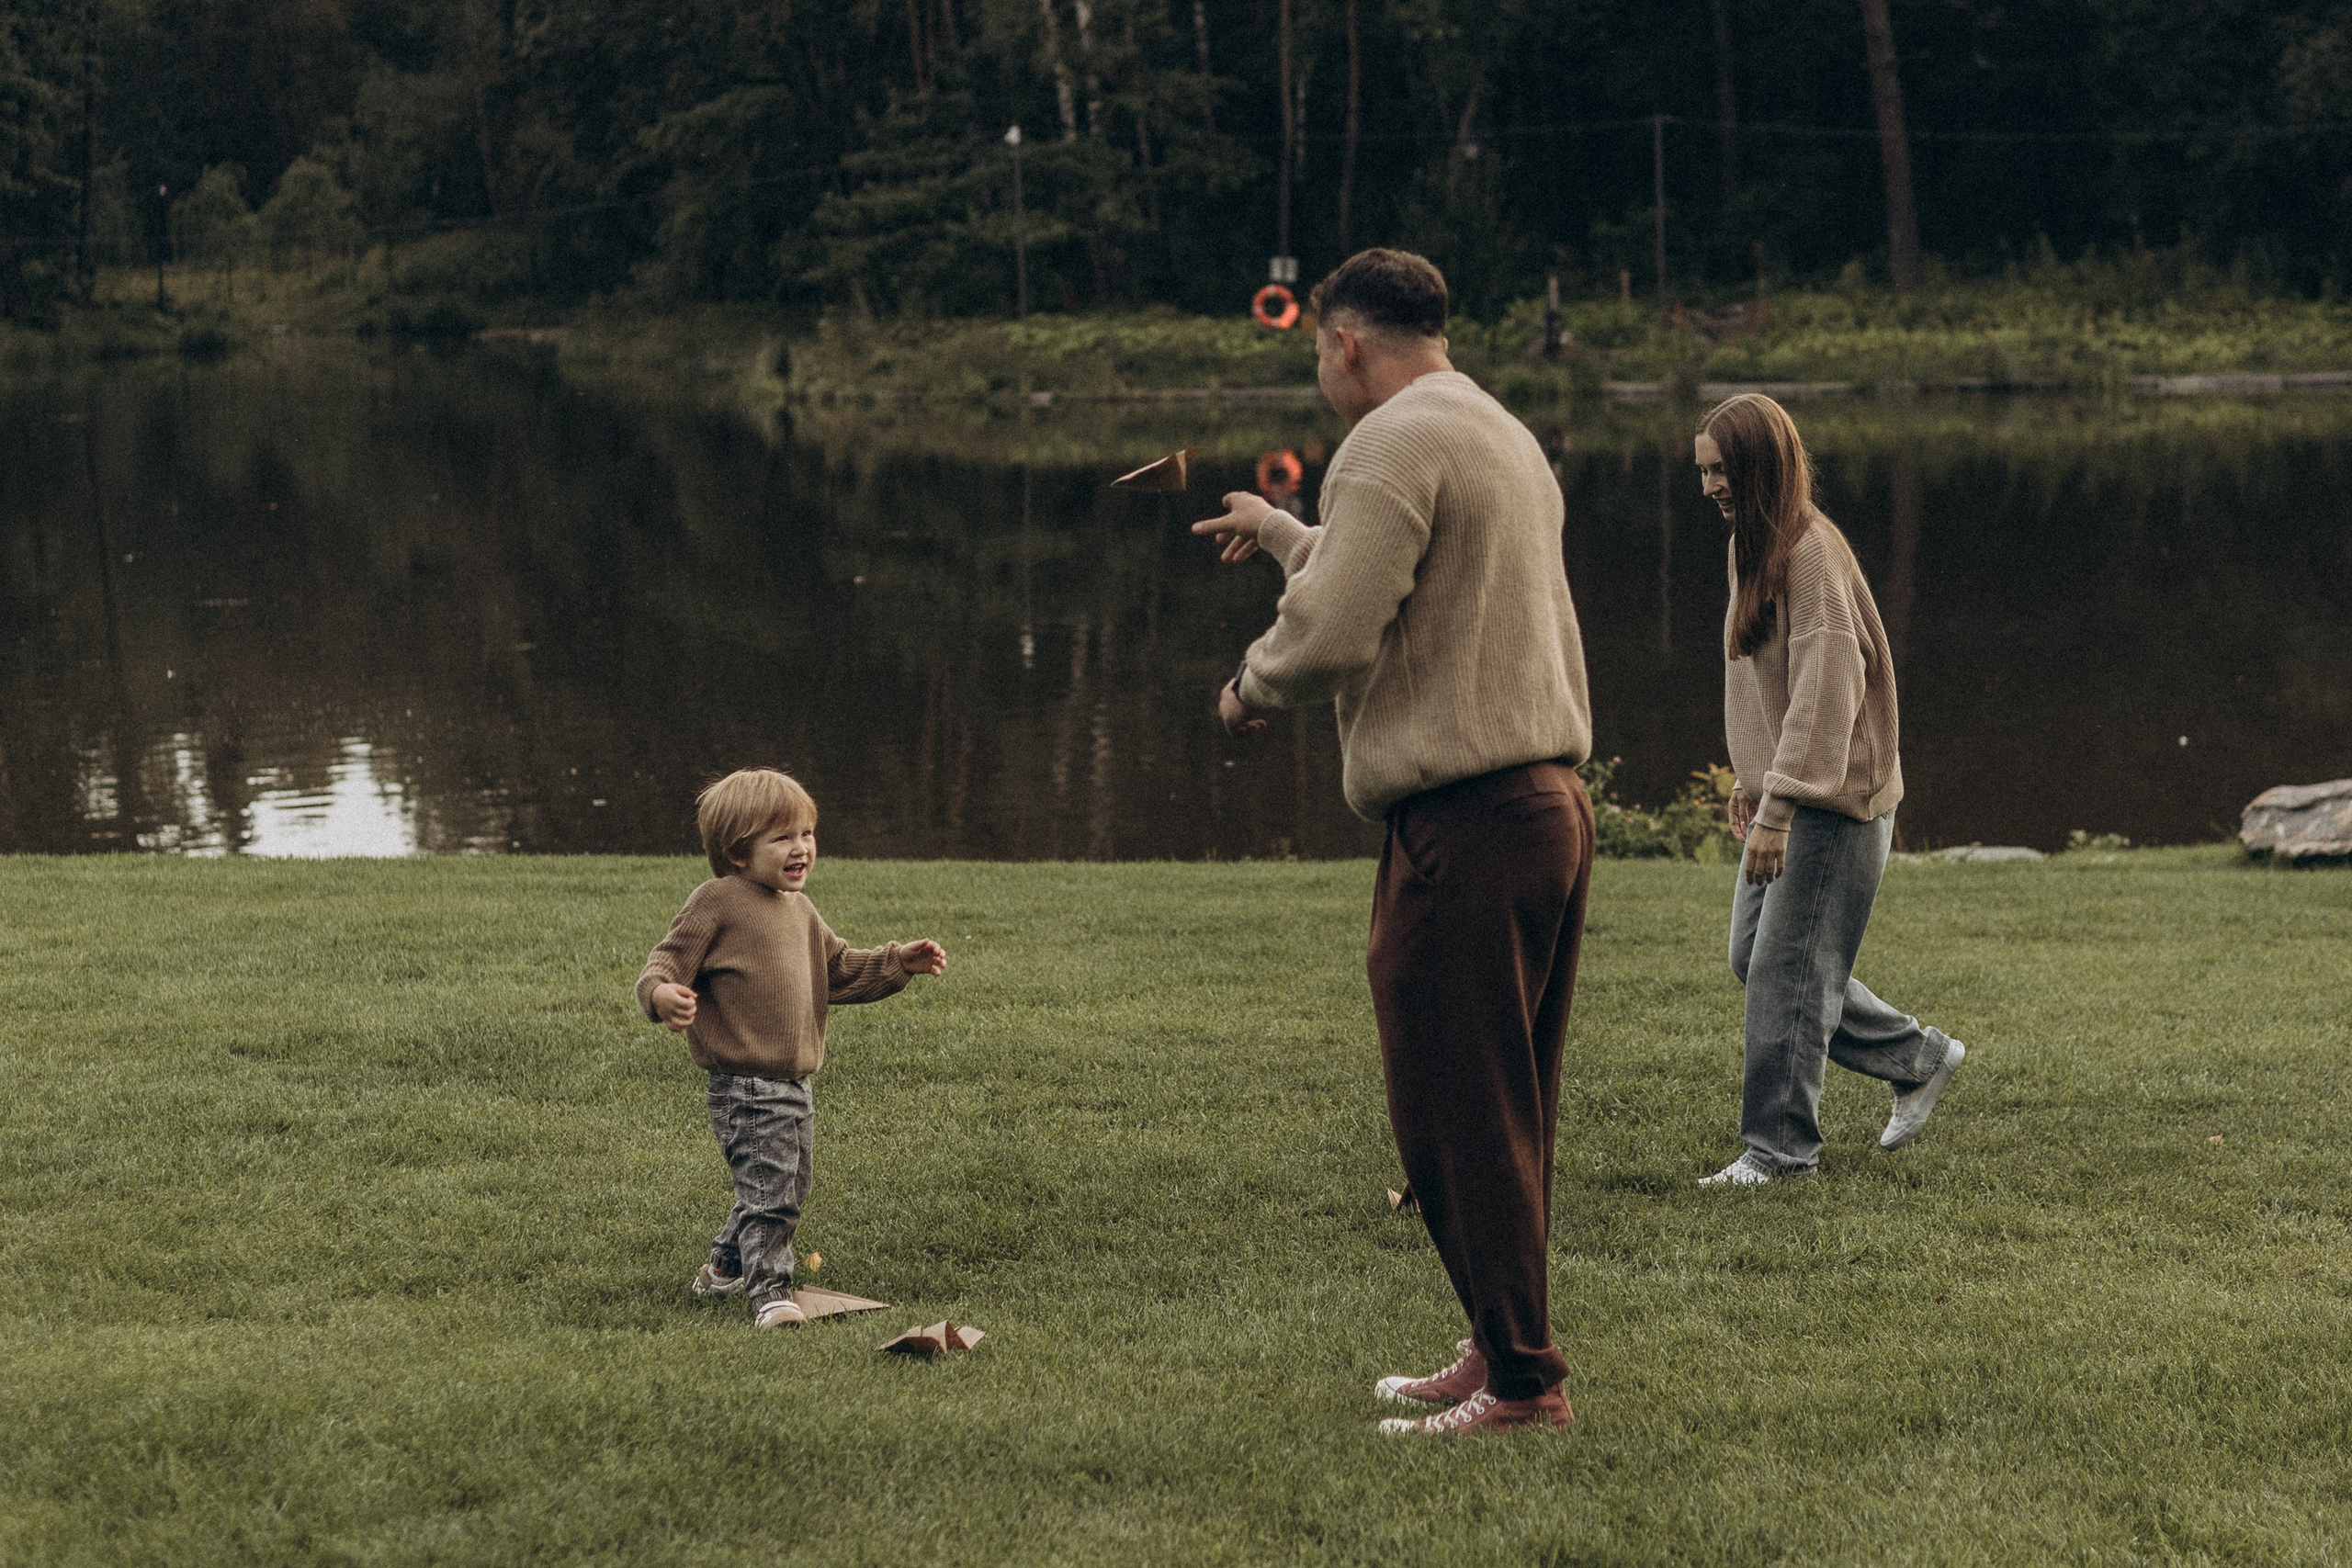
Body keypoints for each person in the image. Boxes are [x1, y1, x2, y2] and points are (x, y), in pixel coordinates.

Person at [1192, 248, 1594, 1435]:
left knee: (1453, 1109)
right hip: (1539, 803)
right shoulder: (1493, 428)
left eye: (1320, 349)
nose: (1323, 368)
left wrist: (1246, 688)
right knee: (1503, 1102)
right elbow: (1389, 570)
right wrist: (1280, 529)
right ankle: (1496, 1342)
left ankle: (1525, 1382)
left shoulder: (1388, 439)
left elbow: (1331, 637)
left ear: (1344, 342)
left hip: (1465, 818)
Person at [1691, 393, 1963, 1187]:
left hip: (1834, 802)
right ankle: (1918, 1058)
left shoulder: (1810, 555)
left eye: (1721, 469)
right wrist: (1753, 781)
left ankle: (1780, 1152)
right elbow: (1759, 682)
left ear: (1760, 465)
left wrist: (1781, 805)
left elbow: (1826, 695)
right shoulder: (1751, 546)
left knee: (1788, 973)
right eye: (1703, 470)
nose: (1709, 485)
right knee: (1756, 956)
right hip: (1787, 792)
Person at [637, 767, 947, 1326]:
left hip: (795, 1083)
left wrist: (898, 962)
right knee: (773, 1190)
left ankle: (724, 1269)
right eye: (782, 837)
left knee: (783, 1182)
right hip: (746, 1084)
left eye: (806, 833)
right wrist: (662, 995)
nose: (801, 847)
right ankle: (771, 1294)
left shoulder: (799, 911)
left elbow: (838, 972)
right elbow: (663, 964)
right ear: (737, 852)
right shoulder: (717, 902)